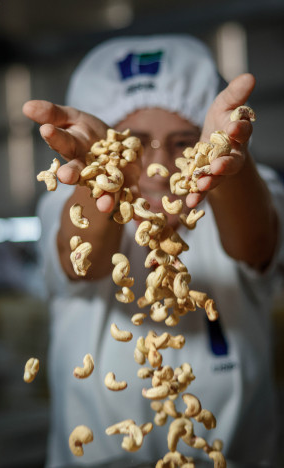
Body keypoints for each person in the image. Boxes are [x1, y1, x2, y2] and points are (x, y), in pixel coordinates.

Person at [23, 35, 284, 467]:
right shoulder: (71, 203)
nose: (157, 168)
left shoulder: (250, 191)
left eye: (185, 141)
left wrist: (227, 165)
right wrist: (99, 176)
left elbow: (257, 240)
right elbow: (80, 258)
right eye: (135, 141)